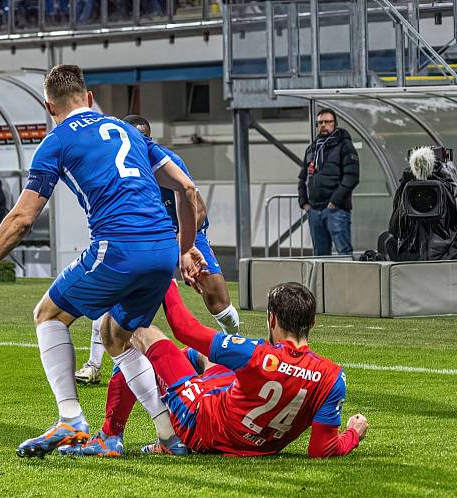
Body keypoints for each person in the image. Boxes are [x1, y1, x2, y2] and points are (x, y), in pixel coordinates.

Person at [0, 64, 206, 457]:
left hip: (120, 246)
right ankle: (170, 435)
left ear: (50, 107)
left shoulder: (56, 142)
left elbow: (22, 219)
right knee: (117, 336)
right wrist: (185, 248)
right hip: (162, 250)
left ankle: (70, 417)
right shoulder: (128, 130)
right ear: (89, 98)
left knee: (48, 314)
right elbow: (187, 188)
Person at [64, 280, 368, 457]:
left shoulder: (256, 354)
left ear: (271, 320)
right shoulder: (332, 376)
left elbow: (184, 327)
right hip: (251, 433)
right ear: (312, 323)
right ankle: (165, 402)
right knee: (201, 356)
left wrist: (163, 278)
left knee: (143, 335)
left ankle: (114, 435)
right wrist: (353, 434)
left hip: (201, 426)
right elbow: (322, 448)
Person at [75, 114, 239, 386]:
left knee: (217, 299)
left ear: (149, 140)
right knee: (112, 294)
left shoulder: (169, 162)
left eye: (142, 139)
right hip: (146, 238)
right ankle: (93, 365)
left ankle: (235, 350)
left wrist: (182, 245)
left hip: (186, 233)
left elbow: (198, 210)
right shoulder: (118, 170)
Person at [298, 108, 360, 256]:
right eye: (320, 123)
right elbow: (302, 177)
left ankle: (346, 280)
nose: (324, 125)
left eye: (328, 122)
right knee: (320, 255)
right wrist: (304, 203)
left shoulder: (345, 146)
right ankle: (323, 280)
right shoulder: (312, 149)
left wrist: (335, 201)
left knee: (343, 252)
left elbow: (351, 177)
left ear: (335, 124)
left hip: (335, 209)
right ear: (317, 126)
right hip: (314, 210)